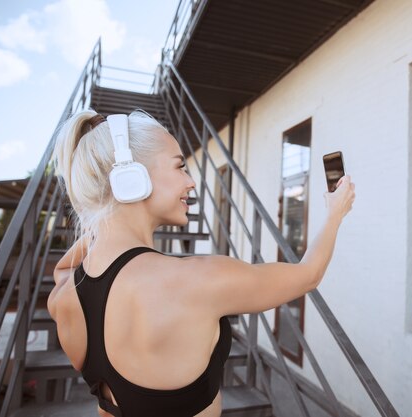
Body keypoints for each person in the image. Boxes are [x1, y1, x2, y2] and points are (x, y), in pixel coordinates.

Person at [47, 110, 355, 417]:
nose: (191, 182)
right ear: (131, 178)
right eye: (180, 166)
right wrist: (334, 214)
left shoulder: (64, 297)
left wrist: (105, 219)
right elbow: (308, 275)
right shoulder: (198, 280)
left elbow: (61, 269)